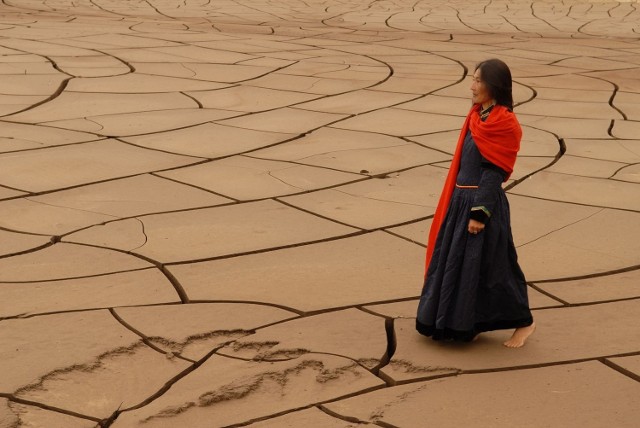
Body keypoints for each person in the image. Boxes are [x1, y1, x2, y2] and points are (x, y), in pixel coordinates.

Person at [416, 58, 536, 348]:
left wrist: (479, 214)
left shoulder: (504, 122)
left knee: (498, 267)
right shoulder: (477, 116)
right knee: (463, 266)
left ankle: (524, 323)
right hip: (460, 201)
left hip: (483, 205)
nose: (472, 86)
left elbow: (494, 172)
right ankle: (467, 322)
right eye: (473, 79)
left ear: (494, 85)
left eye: (479, 80)